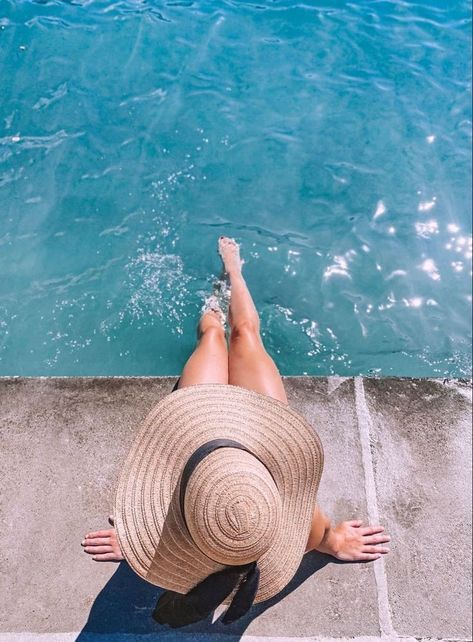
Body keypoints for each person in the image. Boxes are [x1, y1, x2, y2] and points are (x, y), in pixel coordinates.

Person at [81, 236, 390, 624]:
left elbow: (157, 507)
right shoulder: (293, 525)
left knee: (213, 336)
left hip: (197, 434)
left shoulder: (238, 518)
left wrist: (143, 540)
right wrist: (330, 541)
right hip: (262, 442)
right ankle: (233, 275)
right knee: (244, 333)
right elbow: (320, 533)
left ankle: (220, 291)